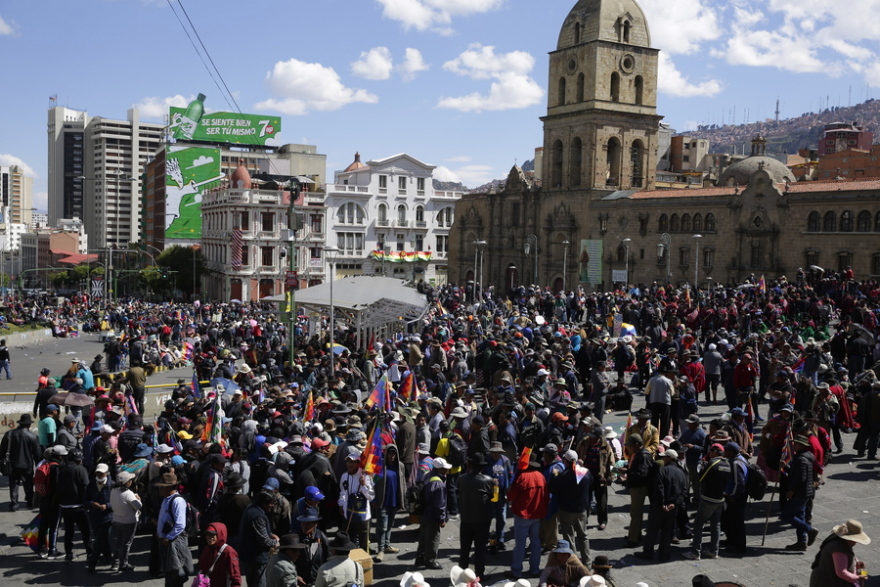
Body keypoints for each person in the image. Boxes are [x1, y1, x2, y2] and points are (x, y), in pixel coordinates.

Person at [637, 449, 688, 561]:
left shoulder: (663, 471)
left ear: (670, 458)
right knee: (667, 531)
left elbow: (659, 488)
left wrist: (662, 503)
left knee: (652, 530)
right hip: (672, 508)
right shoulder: (682, 473)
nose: (663, 459)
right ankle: (664, 555)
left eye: (665, 457)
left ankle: (648, 553)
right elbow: (684, 491)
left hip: (659, 507)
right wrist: (675, 503)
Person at [684, 443, 731, 561]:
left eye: (710, 451)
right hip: (720, 498)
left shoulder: (712, 463)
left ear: (715, 452)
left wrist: (701, 466)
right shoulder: (728, 464)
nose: (709, 453)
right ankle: (714, 551)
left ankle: (695, 552)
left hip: (708, 498)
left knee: (698, 524)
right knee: (716, 525)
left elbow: (701, 478)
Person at [506, 458, 548, 580]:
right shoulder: (541, 476)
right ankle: (535, 569)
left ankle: (517, 571)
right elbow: (546, 496)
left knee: (520, 544)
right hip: (537, 515)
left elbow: (511, 496)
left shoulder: (522, 477)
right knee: (536, 543)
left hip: (523, 515)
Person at [551, 449, 592, 566]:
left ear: (566, 461)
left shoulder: (563, 475)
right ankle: (587, 562)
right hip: (581, 509)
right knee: (583, 536)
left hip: (567, 510)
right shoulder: (585, 472)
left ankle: (574, 563)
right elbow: (590, 483)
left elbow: (553, 488)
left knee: (569, 537)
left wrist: (555, 473)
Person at [457, 452, 494, 579]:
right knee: (480, 549)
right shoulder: (488, 480)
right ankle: (479, 573)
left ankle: (462, 573)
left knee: (465, 549)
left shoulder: (462, 479)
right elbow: (494, 498)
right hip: (482, 520)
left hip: (466, 519)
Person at [156, 471, 195, 587]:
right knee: (170, 573)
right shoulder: (166, 499)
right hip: (165, 540)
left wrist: (168, 538)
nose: (160, 489)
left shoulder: (177, 501)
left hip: (173, 541)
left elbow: (180, 524)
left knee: (176, 573)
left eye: (162, 487)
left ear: (170, 487)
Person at [782, 435, 819, 551]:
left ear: (802, 446)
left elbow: (801, 478)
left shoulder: (801, 459)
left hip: (800, 493)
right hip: (804, 492)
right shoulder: (802, 457)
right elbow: (796, 472)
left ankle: (809, 530)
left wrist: (791, 490)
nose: (794, 445)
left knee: (787, 515)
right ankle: (802, 541)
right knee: (799, 516)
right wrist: (785, 467)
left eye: (796, 443)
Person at [809, 519, 870, 587]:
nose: (856, 542)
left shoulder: (840, 540)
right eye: (855, 540)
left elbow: (847, 556)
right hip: (828, 582)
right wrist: (858, 578)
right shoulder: (839, 549)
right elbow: (842, 572)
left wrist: (856, 562)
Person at [238, 490, 280, 587]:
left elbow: (258, 531)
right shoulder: (258, 516)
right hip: (256, 559)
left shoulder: (251, 509)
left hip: (248, 557)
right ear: (263, 503)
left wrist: (270, 534)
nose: (272, 506)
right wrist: (276, 542)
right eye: (271, 503)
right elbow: (264, 540)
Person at [415, 456, 451, 570]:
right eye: (445, 469)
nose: (446, 471)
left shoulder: (427, 476)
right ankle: (430, 561)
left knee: (423, 537)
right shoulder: (438, 484)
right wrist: (442, 519)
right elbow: (440, 504)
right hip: (433, 515)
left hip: (424, 512)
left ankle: (420, 558)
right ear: (440, 469)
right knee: (433, 538)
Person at [0, 413, 41, 511]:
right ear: (29, 424)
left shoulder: (9, 434)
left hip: (13, 464)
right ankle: (30, 501)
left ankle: (14, 504)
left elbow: (2, 450)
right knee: (28, 484)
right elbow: (37, 453)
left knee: (14, 484)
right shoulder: (33, 436)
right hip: (27, 464)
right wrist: (39, 465)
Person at [57, 448, 91, 562]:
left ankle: (68, 554)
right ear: (79, 460)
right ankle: (90, 553)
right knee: (85, 531)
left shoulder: (62, 469)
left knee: (69, 531)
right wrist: (88, 502)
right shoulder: (81, 469)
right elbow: (86, 486)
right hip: (78, 506)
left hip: (65, 506)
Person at [373, 443, 406, 562]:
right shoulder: (380, 466)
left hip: (394, 501)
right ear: (386, 454)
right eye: (390, 453)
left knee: (390, 525)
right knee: (382, 526)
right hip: (382, 501)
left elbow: (403, 482)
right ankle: (380, 550)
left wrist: (403, 497)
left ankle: (386, 545)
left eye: (394, 454)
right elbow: (373, 483)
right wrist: (374, 499)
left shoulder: (400, 466)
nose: (392, 456)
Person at [338, 453, 374, 551]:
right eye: (348, 461)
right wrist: (341, 505)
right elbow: (343, 492)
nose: (350, 464)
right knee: (348, 543)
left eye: (353, 462)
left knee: (364, 545)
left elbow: (371, 496)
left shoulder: (365, 477)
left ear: (358, 463)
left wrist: (364, 485)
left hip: (363, 517)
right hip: (348, 514)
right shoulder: (344, 476)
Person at [37, 445, 66, 559]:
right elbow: (57, 486)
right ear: (60, 456)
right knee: (54, 526)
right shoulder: (56, 468)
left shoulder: (44, 464)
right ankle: (52, 550)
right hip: (54, 501)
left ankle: (41, 549)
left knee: (43, 525)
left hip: (43, 499)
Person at [625, 433, 654, 547]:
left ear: (637, 444)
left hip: (639, 487)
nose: (629, 448)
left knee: (635, 513)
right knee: (636, 512)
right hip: (636, 487)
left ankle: (633, 539)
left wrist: (627, 472)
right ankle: (636, 534)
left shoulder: (643, 456)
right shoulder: (638, 454)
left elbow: (642, 474)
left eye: (630, 445)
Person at [110, 470, 142, 572]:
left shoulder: (113, 491)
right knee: (126, 543)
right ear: (127, 483)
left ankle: (115, 563)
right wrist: (138, 499)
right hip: (129, 521)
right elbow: (138, 506)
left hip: (116, 520)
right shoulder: (128, 494)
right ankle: (123, 564)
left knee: (118, 542)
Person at [484, 441, 514, 549]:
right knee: (487, 517)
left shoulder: (505, 461)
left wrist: (509, 489)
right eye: (493, 452)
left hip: (500, 493)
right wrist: (490, 480)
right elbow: (481, 476)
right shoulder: (486, 460)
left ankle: (500, 540)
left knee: (501, 517)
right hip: (489, 493)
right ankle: (485, 540)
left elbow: (511, 476)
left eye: (497, 452)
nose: (494, 454)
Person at [721, 442, 749, 555]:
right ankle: (731, 540)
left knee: (737, 522)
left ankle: (740, 546)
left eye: (726, 450)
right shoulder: (741, 459)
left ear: (731, 452)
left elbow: (739, 483)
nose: (724, 452)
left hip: (738, 497)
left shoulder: (736, 463)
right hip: (737, 496)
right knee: (730, 519)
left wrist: (733, 496)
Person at [85, 463, 113, 572]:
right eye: (98, 473)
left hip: (107, 518)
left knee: (99, 540)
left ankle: (93, 562)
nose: (99, 475)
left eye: (101, 473)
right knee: (101, 539)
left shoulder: (112, 485)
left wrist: (107, 506)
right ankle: (108, 557)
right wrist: (92, 503)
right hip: (95, 517)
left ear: (106, 473)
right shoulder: (91, 485)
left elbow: (116, 501)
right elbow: (85, 499)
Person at [199, 523, 242, 587]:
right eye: (208, 534)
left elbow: (235, 577)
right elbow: (202, 569)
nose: (210, 537)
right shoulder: (206, 550)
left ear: (220, 534)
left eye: (213, 535)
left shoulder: (228, 552)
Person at [295, 507, 330, 586]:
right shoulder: (296, 538)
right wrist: (295, 576)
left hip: (318, 580)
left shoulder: (321, 537)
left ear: (315, 524)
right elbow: (290, 561)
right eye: (303, 523)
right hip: (302, 582)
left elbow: (329, 557)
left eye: (308, 523)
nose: (304, 526)